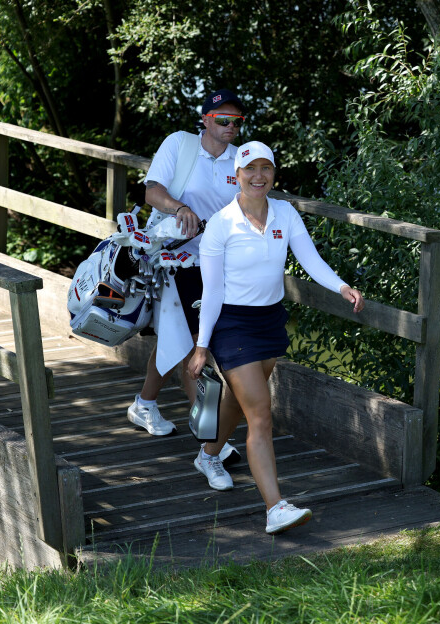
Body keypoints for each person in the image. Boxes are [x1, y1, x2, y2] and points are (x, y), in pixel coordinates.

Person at [187, 141, 364, 535]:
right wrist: (202, 346)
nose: (258, 176)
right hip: (232, 324)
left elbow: (310, 258)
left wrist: (342, 287)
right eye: (250, 169)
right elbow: (211, 291)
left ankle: (208, 454)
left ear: (273, 173)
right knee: (261, 415)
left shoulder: (285, 213)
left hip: (269, 321)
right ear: (237, 174)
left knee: (240, 401)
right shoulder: (221, 224)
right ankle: (275, 508)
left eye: (266, 168)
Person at [126, 88, 245, 471]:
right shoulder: (180, 144)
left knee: (182, 341)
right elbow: (152, 192)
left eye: (237, 121)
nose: (230, 127)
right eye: (223, 119)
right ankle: (211, 442)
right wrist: (181, 208)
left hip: (217, 264)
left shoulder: (241, 160)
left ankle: (144, 404)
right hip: (173, 259)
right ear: (206, 120)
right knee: (197, 346)